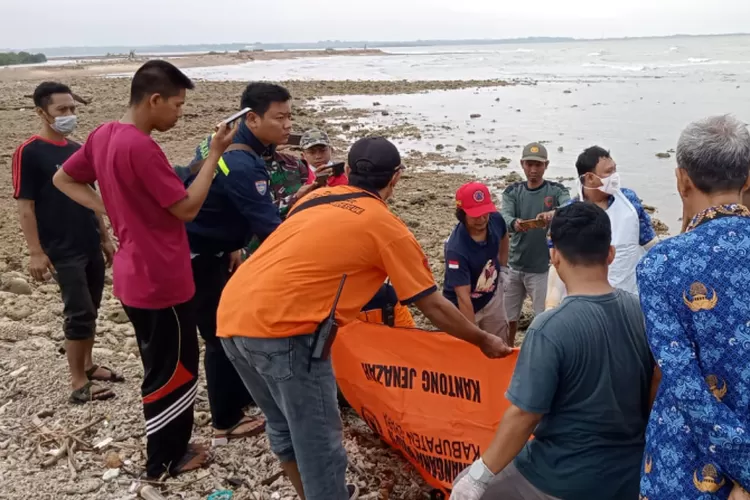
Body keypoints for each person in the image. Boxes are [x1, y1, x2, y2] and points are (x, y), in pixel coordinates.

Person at [217, 136, 512, 500]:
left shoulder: (313, 198)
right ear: (397, 178)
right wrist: (483, 340)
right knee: (319, 444)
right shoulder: (385, 226)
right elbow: (432, 305)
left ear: (350, 171)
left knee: (283, 427)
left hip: (231, 316)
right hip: (287, 332)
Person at [52, 60, 237, 479]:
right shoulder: (141, 146)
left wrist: (114, 211)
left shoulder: (102, 135)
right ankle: (166, 459)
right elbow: (187, 208)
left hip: (133, 275)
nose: (179, 113)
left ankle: (169, 447)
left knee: (160, 362)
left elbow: (64, 179)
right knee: (173, 368)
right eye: (177, 105)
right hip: (161, 280)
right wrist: (215, 153)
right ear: (154, 100)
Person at [451, 202, 654, 500]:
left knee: (467, 483)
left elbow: (523, 414)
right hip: (631, 472)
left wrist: (479, 477)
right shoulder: (643, 312)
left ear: (554, 256)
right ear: (610, 253)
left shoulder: (549, 328)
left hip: (560, 475)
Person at [637, 115, 750, 500]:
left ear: (682, 179)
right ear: (747, 179)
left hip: (685, 462)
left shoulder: (661, 264)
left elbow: (684, 382)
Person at [12, 81, 121, 404]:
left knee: (93, 306)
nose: (69, 115)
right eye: (62, 110)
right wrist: (35, 251)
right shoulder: (29, 152)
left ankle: (87, 365)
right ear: (41, 112)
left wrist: (104, 238)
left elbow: (90, 196)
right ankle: (77, 382)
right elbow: (25, 205)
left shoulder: (77, 149)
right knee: (79, 311)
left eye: (72, 108)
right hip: (60, 246)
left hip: (88, 240)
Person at [189, 82, 311, 256]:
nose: (288, 125)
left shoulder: (220, 137)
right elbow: (270, 229)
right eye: (280, 118)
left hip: (200, 232)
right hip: (202, 252)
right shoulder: (245, 166)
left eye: (289, 116)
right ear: (252, 119)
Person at [545, 146, 659, 309]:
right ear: (590, 177)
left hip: (630, 299)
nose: (615, 177)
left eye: (615, 170)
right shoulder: (567, 215)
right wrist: (551, 304)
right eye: (608, 172)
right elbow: (556, 264)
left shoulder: (629, 202)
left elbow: (650, 243)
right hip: (585, 303)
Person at [501, 142, 569, 345]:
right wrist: (515, 223)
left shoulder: (555, 190)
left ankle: (538, 352)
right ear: (522, 164)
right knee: (508, 317)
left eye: (538, 165)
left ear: (546, 165)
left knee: (542, 317)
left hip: (541, 269)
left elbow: (569, 206)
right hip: (514, 265)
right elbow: (504, 216)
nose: (533, 170)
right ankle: (507, 350)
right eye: (529, 164)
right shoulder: (512, 191)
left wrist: (552, 214)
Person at [443, 181, 510, 342]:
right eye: (475, 214)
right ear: (462, 213)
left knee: (500, 342)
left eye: (485, 212)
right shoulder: (456, 250)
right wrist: (476, 338)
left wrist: (504, 267)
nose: (481, 219)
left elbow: (504, 235)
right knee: (468, 351)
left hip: (491, 295)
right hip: (462, 306)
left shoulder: (495, 220)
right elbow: (463, 297)